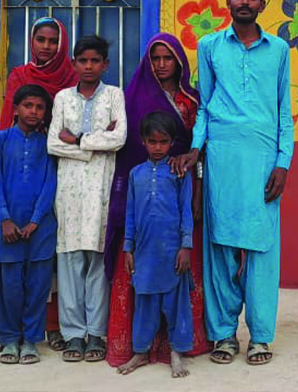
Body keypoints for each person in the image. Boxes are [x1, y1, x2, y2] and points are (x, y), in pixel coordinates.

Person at [174, 0, 293, 366]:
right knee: (220, 244)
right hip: (221, 158)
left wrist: (283, 162)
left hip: (262, 161)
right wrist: (195, 148)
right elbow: (206, 106)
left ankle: (260, 336)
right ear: (228, 2)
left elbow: (282, 111)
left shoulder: (277, 49)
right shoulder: (209, 46)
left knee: (261, 247)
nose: (244, 1)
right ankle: (223, 334)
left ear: (262, 4)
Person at [105, 34, 210, 368]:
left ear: (179, 61)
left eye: (168, 58)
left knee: (179, 278)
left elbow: (201, 146)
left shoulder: (192, 100)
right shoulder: (132, 96)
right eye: (156, 58)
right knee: (143, 282)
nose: (162, 65)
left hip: (179, 188)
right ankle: (138, 348)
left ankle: (177, 347)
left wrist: (195, 188)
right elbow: (123, 140)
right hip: (143, 201)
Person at [0, 16, 77, 353]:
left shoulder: (72, 77)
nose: (46, 46)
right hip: (20, 169)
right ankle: (11, 331)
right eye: (40, 39)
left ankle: (50, 326)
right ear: (31, 41)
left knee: (50, 257)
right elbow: (7, 117)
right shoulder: (20, 76)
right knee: (13, 265)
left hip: (60, 166)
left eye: (52, 41)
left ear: (62, 43)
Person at [47, 35, 127, 363]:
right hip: (68, 191)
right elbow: (53, 143)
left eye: (95, 61)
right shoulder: (63, 98)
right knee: (69, 262)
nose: (89, 66)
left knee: (96, 261)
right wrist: (95, 144)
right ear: (74, 64)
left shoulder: (114, 95)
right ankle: (72, 333)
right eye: (83, 61)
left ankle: (96, 331)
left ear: (105, 64)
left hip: (101, 191)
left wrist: (78, 139)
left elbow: (119, 138)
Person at [116, 111, 196, 378]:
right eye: (153, 142)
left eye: (163, 142)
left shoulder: (178, 172)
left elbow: (186, 210)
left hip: (173, 251)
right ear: (143, 142)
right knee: (145, 303)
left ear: (172, 142)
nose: (158, 147)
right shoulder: (135, 175)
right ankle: (141, 351)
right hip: (145, 252)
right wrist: (129, 247)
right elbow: (130, 213)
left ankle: (177, 352)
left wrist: (186, 246)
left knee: (176, 303)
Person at [0, 85, 58, 365]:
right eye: (28, 105)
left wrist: (35, 220)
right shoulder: (0, 141)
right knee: (9, 285)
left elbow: (50, 183)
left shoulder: (48, 144)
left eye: (40, 107)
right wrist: (4, 218)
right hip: (8, 227)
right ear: (15, 108)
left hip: (40, 227)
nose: (34, 112)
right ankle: (8, 339)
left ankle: (30, 339)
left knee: (38, 284)